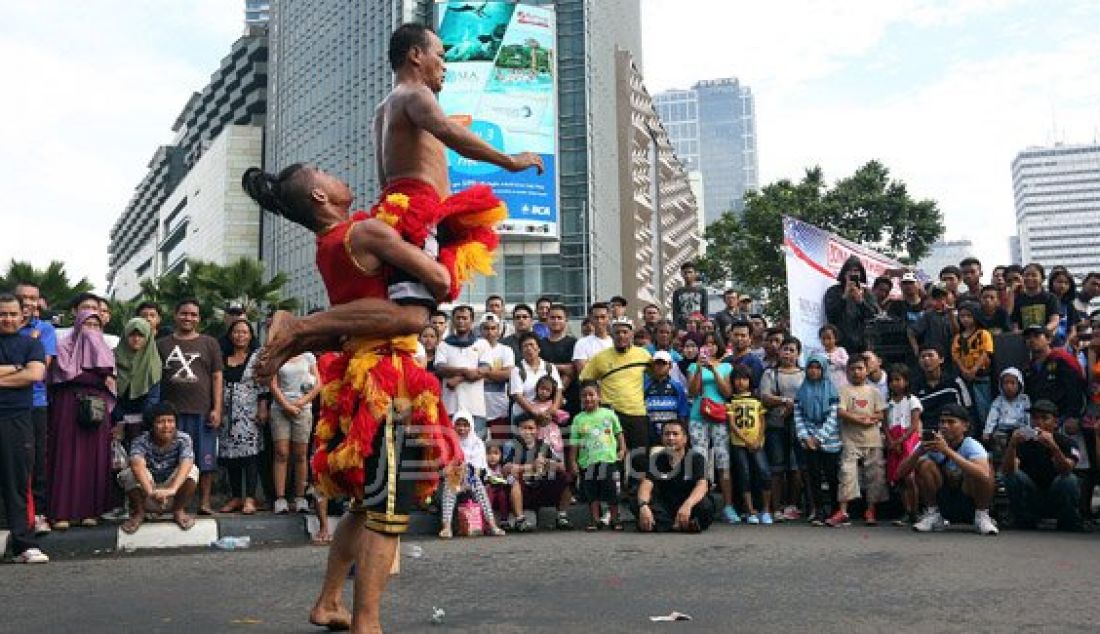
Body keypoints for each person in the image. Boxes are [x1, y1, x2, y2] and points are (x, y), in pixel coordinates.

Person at [266, 21, 541, 631]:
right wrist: (508, 160)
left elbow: (439, 137)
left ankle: (329, 602)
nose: (444, 65)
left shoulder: (353, 217)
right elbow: (443, 133)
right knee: (385, 504)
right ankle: (366, 622)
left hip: (380, 325)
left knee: (366, 506)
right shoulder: (414, 99)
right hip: (389, 341)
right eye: (440, 55)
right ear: (415, 56)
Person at [46, 309, 117, 530]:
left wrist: (93, 376)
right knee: (65, 458)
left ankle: (91, 511)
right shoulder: (64, 346)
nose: (92, 331)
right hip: (67, 407)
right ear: (77, 325)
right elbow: (64, 374)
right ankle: (62, 513)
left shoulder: (105, 349)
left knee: (93, 460)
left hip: (96, 409)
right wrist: (95, 377)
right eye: (88, 325)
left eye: (96, 326)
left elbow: (110, 378)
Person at [157, 299, 223, 515]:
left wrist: (217, 408)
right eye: (184, 313)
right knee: (174, 460)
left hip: (202, 411)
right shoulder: (162, 344)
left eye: (193, 315)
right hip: (171, 414)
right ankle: (177, 503)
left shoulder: (209, 343)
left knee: (206, 460)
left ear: (199, 319)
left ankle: (204, 502)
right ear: (175, 315)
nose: (188, 318)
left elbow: (216, 377)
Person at [895, 403, 999, 535]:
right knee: (924, 464)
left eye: (951, 422)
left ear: (965, 426)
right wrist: (918, 452)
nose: (945, 426)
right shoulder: (932, 443)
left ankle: (982, 516)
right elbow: (899, 474)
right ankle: (933, 514)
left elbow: (984, 474)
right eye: (942, 422)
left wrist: (946, 451)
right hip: (943, 499)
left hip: (968, 500)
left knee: (984, 467)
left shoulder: (971, 445)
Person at [0, 293, 49, 563]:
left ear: (22, 316)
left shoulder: (32, 345)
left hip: (17, 420)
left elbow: (35, 374)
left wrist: (14, 371)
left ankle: (24, 545)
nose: (7, 319)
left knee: (17, 484)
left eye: (11, 314)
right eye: (2, 314)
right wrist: (15, 369)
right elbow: (24, 373)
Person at [579, 317, 652, 494]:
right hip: (610, 413)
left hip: (637, 411)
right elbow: (585, 379)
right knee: (613, 454)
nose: (621, 335)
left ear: (632, 334)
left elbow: (657, 374)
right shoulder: (601, 358)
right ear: (611, 334)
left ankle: (636, 491)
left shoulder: (643, 355)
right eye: (617, 332)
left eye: (625, 332)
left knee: (639, 455)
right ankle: (614, 490)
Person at [14, 282, 58, 535]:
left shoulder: (45, 329)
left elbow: (39, 370)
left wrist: (14, 368)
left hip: (36, 404)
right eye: (23, 298)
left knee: (36, 460)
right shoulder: (6, 327)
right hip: (6, 404)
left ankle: (39, 514)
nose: (28, 303)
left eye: (33, 298)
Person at [118, 402, 200, 534]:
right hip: (148, 493)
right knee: (128, 473)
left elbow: (187, 462)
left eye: (170, 421)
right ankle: (139, 512)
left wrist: (172, 490)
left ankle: (179, 510)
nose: (166, 426)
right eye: (161, 422)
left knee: (192, 471)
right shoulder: (140, 441)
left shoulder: (184, 439)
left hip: (172, 493)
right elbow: (137, 464)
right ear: (152, 425)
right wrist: (151, 492)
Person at [1001, 400, 1082, 531]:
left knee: (1069, 480)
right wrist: (1012, 445)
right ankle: (1023, 519)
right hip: (1032, 495)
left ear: (1055, 423)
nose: (1038, 422)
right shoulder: (1023, 441)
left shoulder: (1067, 442)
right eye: (1035, 418)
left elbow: (1067, 469)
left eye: (1044, 418)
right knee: (1013, 476)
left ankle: (1068, 521)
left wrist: (1054, 447)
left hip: (1056, 496)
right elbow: (1007, 471)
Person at [828, 356, 888, 527]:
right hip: (850, 440)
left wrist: (870, 418)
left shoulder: (873, 391)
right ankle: (843, 510)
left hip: (873, 440)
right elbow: (841, 412)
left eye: (860, 368)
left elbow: (881, 414)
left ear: (867, 370)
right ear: (847, 371)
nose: (856, 372)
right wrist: (859, 420)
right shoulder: (844, 390)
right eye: (852, 368)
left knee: (875, 476)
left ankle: (871, 510)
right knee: (847, 474)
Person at [218, 319, 265, 515]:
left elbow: (263, 383)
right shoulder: (222, 357)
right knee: (230, 456)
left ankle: (250, 498)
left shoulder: (257, 357)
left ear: (251, 336)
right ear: (230, 335)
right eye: (236, 332)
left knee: (250, 456)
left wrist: (263, 407)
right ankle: (236, 497)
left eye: (245, 332)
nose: (240, 336)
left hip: (249, 411)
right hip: (227, 413)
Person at [686, 332, 736, 521]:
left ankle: (729, 505)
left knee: (723, 460)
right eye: (707, 344)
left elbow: (727, 392)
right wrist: (699, 368)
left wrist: (714, 370)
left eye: (714, 344)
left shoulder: (726, 366)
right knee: (700, 459)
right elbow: (692, 391)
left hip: (719, 416)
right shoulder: (693, 365)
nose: (710, 347)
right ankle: (700, 502)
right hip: (698, 416)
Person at [635, 420, 715, 533]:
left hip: (688, 504)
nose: (671, 438)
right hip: (667, 506)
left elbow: (702, 485)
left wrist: (688, 505)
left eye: (675, 434)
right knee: (637, 499)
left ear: (685, 439)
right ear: (662, 438)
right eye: (667, 434)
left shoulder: (696, 458)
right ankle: (678, 525)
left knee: (705, 504)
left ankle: (665, 525)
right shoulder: (657, 459)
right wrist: (643, 506)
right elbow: (647, 484)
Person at [568, 381, 626, 531]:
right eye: (584, 396)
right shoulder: (578, 419)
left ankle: (614, 518)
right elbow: (574, 443)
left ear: (599, 397)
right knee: (591, 492)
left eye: (591, 395)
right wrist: (573, 462)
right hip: (588, 462)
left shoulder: (609, 414)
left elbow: (618, 433)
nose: (588, 398)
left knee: (612, 490)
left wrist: (622, 449)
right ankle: (594, 519)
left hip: (608, 459)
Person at [437, 411, 505, 538]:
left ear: (471, 426)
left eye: (465, 425)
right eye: (458, 425)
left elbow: (479, 469)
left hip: (471, 479)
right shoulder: (448, 442)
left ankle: (493, 525)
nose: (462, 428)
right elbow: (443, 467)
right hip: (452, 479)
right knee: (451, 482)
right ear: (453, 426)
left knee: (475, 482)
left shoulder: (477, 443)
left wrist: (465, 472)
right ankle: (446, 527)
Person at [760, 337, 806, 522]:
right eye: (784, 349)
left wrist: (793, 405)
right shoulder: (770, 373)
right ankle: (776, 507)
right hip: (775, 425)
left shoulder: (804, 374)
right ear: (779, 352)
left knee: (796, 467)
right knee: (776, 467)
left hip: (799, 425)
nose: (787, 353)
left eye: (791, 350)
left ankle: (793, 505)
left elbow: (807, 397)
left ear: (798, 354)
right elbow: (764, 397)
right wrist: (784, 401)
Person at [270, 351, 321, 514]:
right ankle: (280, 498)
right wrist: (286, 405)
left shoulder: (308, 357)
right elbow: (272, 384)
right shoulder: (276, 354)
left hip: (303, 409)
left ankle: (300, 497)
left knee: (300, 454)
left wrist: (301, 402)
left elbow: (318, 384)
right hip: (280, 409)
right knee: (281, 453)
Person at [794, 353, 841, 526]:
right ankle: (818, 510)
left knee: (832, 476)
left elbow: (833, 416)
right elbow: (798, 414)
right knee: (813, 477)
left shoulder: (831, 388)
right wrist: (806, 437)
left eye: (817, 368)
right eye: (811, 367)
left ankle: (836, 510)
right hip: (808, 440)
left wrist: (819, 438)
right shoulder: (802, 389)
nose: (814, 371)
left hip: (829, 440)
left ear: (823, 369)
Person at [505, 416, 573, 532]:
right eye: (524, 428)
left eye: (531, 428)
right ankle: (520, 520)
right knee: (513, 480)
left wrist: (547, 462)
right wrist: (531, 466)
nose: (527, 432)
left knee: (566, 477)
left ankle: (562, 516)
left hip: (542, 488)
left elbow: (561, 466)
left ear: (537, 430)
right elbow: (506, 468)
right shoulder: (513, 446)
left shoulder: (543, 446)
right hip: (524, 491)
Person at [436, 305, 491, 437]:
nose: (461, 321)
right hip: (450, 406)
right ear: (453, 321)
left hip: (475, 407)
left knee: (476, 447)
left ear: (472, 321)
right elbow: (440, 368)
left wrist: (458, 378)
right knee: (451, 448)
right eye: (458, 318)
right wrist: (465, 371)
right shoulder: (444, 345)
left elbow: (485, 369)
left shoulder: (482, 344)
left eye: (465, 318)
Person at [727, 366, 772, 524]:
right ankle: (750, 509)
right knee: (744, 474)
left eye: (744, 379)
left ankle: (766, 509)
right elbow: (732, 424)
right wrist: (746, 441)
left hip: (757, 443)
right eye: (738, 379)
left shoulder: (756, 399)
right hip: (739, 443)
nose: (741, 382)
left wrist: (758, 439)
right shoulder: (731, 400)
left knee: (764, 472)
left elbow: (762, 421)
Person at [112, 318, 162, 448]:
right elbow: (109, 394)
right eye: (132, 335)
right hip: (115, 421)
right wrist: (119, 419)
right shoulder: (112, 358)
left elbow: (153, 399)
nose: (136, 339)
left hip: (144, 425)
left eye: (141, 335)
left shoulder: (153, 362)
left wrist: (137, 422)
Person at [1023, 325, 1086, 424]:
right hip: (1039, 419)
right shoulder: (1028, 367)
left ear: (1049, 339)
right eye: (1028, 337)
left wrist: (1073, 417)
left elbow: (1075, 389)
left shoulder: (1063, 359)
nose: (1031, 340)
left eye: (1036, 336)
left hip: (1063, 418)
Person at [885, 364, 922, 526]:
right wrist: (891, 441)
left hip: (908, 439)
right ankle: (906, 511)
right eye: (892, 380)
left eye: (898, 380)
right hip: (893, 440)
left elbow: (914, 425)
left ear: (906, 382)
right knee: (898, 479)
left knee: (910, 477)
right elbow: (885, 424)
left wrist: (900, 441)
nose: (895, 383)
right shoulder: (888, 403)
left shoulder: (912, 400)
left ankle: (916, 510)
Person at [823, 255, 879, 355]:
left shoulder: (867, 293)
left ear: (861, 274)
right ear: (844, 273)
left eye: (856, 271)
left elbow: (874, 316)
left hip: (863, 344)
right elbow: (831, 315)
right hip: (839, 344)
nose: (853, 273)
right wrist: (845, 295)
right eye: (850, 270)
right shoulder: (833, 291)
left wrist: (861, 302)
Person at [912, 346, 971, 433]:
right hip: (926, 433)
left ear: (941, 359)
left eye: (930, 355)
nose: (926, 359)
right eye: (923, 356)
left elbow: (967, 410)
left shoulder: (955, 382)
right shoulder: (914, 387)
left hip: (952, 432)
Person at [508, 332, 562, 427]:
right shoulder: (517, 370)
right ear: (521, 351)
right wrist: (536, 412)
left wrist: (552, 410)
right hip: (523, 418)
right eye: (525, 346)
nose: (529, 349)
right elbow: (517, 395)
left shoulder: (549, 367)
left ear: (539, 348)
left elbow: (558, 390)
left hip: (547, 417)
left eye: (532, 345)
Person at [952, 303, 994, 424]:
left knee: (984, 406)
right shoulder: (958, 337)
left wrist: (974, 369)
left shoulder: (983, 333)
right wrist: (964, 370)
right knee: (968, 406)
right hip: (964, 377)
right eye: (962, 316)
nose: (965, 319)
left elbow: (986, 352)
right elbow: (956, 356)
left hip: (981, 375)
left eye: (969, 316)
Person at [478, 313, 514, 442]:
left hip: (499, 407)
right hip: (477, 408)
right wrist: (496, 374)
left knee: (499, 447)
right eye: (486, 328)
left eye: (493, 328)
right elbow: (468, 375)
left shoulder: (506, 350)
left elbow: (507, 375)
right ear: (480, 330)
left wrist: (482, 373)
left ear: (499, 330)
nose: (490, 332)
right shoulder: (473, 348)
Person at [539, 303, 578, 419]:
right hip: (543, 397)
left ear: (566, 320)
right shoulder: (539, 344)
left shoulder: (574, 343)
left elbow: (571, 370)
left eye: (559, 318)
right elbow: (538, 368)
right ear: (547, 320)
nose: (556, 321)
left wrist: (557, 393)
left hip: (569, 396)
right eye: (552, 318)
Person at [643, 350, 691, 447]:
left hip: (671, 433)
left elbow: (683, 412)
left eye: (663, 363)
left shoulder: (677, 386)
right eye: (657, 363)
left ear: (670, 366)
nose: (660, 366)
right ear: (653, 366)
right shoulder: (645, 385)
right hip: (650, 431)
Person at [981, 368, 1031, 459]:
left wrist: (1028, 430)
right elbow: (992, 417)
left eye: (1012, 383)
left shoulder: (1024, 399)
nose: (1009, 386)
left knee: (1023, 444)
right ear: (1001, 385)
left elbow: (1028, 416)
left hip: (1019, 430)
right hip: (1002, 430)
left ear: (1019, 384)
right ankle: (1000, 462)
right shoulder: (999, 400)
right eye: (1006, 383)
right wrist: (987, 431)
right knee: (997, 440)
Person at [908, 283, 956, 366]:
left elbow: (956, 332)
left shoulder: (956, 314)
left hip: (950, 355)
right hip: (932, 355)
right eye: (937, 298)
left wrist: (951, 314)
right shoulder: (929, 315)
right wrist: (916, 348)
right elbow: (911, 331)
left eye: (943, 297)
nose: (940, 300)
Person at [1011, 263, 1061, 335]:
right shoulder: (1018, 300)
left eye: (1034, 275)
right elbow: (1015, 325)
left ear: (1042, 279)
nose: (1030, 278)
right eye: (1027, 275)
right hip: (1024, 339)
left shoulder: (1051, 298)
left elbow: (1054, 321)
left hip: (1046, 339)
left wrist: (1042, 331)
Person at [529, 375, 567, 455]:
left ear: (551, 392)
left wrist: (556, 416)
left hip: (552, 434)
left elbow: (563, 418)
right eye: (542, 388)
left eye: (548, 390)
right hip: (539, 435)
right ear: (537, 388)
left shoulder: (552, 405)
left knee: (555, 455)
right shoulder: (532, 405)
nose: (544, 392)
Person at [572, 302, 612, 376]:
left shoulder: (615, 342)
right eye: (596, 317)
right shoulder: (582, 343)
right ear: (591, 318)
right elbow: (583, 372)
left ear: (609, 318)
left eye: (603, 317)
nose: (599, 321)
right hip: (591, 386)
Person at [723, 320, 765, 389]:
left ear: (750, 338)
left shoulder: (754, 362)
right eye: (736, 335)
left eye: (743, 335)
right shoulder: (725, 360)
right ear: (730, 336)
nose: (739, 338)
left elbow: (755, 387)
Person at [671, 261, 708, 331]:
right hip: (682, 327)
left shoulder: (702, 291)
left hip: (698, 326)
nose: (687, 275)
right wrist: (676, 328)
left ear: (695, 273)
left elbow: (705, 311)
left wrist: (704, 326)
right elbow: (675, 312)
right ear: (682, 274)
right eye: (685, 272)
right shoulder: (677, 292)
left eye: (690, 272)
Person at [1047, 267, 1079, 347]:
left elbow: (1073, 330)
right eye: (1059, 282)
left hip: (1064, 345)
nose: (1062, 285)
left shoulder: (1069, 305)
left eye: (1066, 283)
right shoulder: (1045, 300)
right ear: (1052, 283)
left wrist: (1066, 345)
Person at [818, 324, 848, 390]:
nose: (826, 341)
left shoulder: (841, 350)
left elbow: (847, 363)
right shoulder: (818, 353)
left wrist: (833, 360)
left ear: (835, 338)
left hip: (841, 384)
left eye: (829, 338)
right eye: (823, 338)